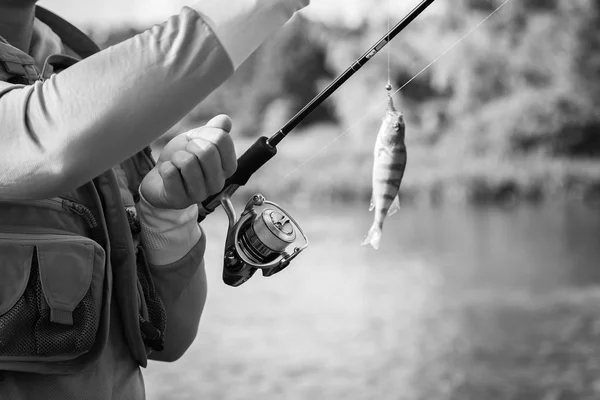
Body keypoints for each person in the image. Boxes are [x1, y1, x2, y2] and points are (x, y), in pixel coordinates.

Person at [0, 0, 310, 399]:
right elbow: (40, 134)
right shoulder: (81, 99)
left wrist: (167, 218)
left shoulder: (77, 64)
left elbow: (168, 340)